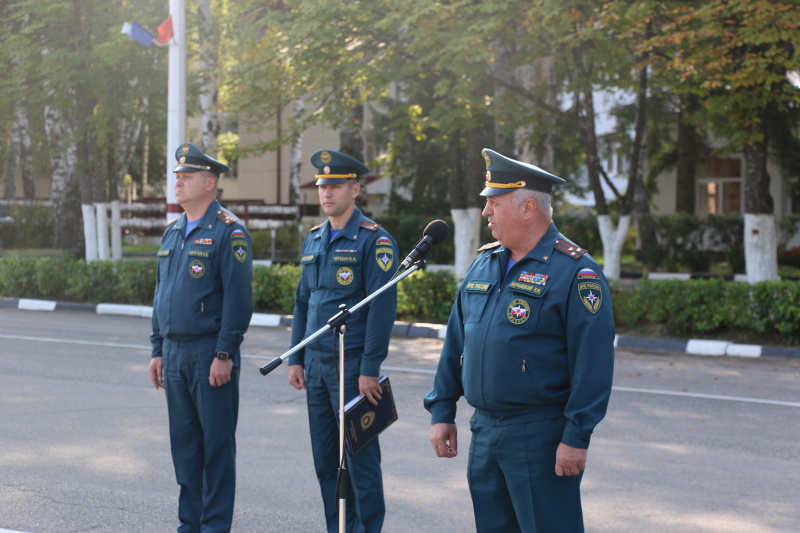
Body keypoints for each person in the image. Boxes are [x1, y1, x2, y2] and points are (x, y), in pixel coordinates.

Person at [424, 148, 615, 533]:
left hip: (540, 435)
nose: (485, 212)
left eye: (493, 203)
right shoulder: (484, 262)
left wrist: (576, 437)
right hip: (485, 432)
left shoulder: (575, 272)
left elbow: (592, 364)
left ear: (528, 207)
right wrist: (442, 409)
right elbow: (457, 342)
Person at [287, 149, 398, 533]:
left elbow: (382, 310)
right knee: (325, 463)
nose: (326, 193)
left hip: (352, 369)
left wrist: (370, 368)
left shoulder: (375, 242)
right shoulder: (314, 239)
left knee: (361, 461)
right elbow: (303, 302)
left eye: (335, 186)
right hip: (317, 367)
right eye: (322, 186)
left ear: (355, 188)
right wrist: (295, 357)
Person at [149, 142, 253, 533]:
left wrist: (225, 352)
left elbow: (239, 299)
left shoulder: (229, 231)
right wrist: (157, 349)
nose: (178, 182)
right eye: (177, 176)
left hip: (210, 352)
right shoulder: (172, 232)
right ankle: (188, 526)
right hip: (174, 354)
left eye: (187, 176)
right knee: (186, 450)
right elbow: (161, 295)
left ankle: (213, 528)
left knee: (216, 451)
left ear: (210, 183)